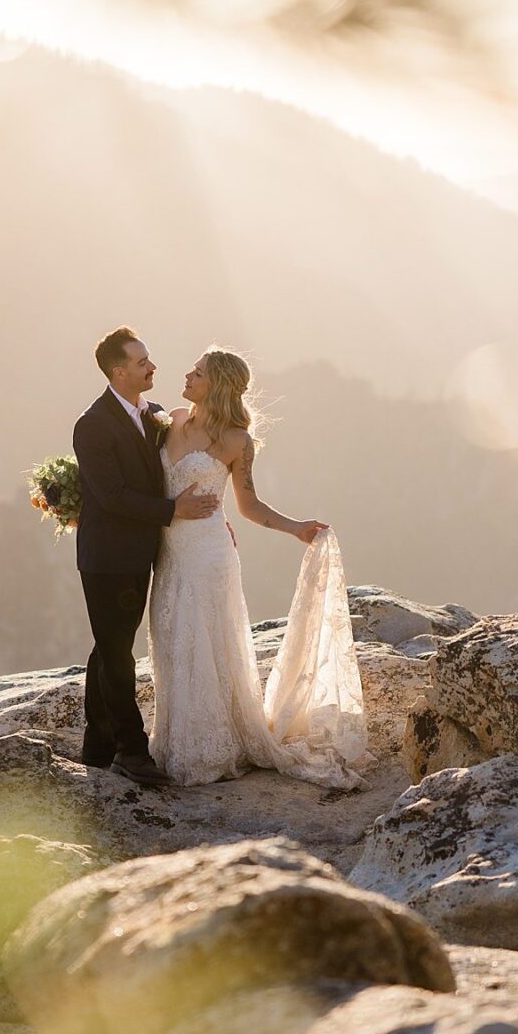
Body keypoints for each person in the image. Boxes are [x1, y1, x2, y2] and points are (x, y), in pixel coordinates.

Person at [147, 347, 372, 788]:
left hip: (209, 556)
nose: (187, 375)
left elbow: (248, 506)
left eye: (198, 372)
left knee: (206, 641)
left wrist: (297, 528)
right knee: (171, 638)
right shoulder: (169, 421)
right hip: (170, 552)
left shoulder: (236, 441)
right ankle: (173, 739)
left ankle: (209, 747)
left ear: (219, 384)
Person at [72, 327, 219, 786]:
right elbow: (113, 495)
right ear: (119, 372)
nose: (152, 367)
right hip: (107, 558)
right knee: (118, 652)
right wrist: (175, 511)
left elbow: (166, 473)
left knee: (109, 646)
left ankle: (96, 747)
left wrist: (210, 516)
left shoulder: (154, 414)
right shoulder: (92, 425)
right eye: (141, 363)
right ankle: (131, 752)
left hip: (144, 552)